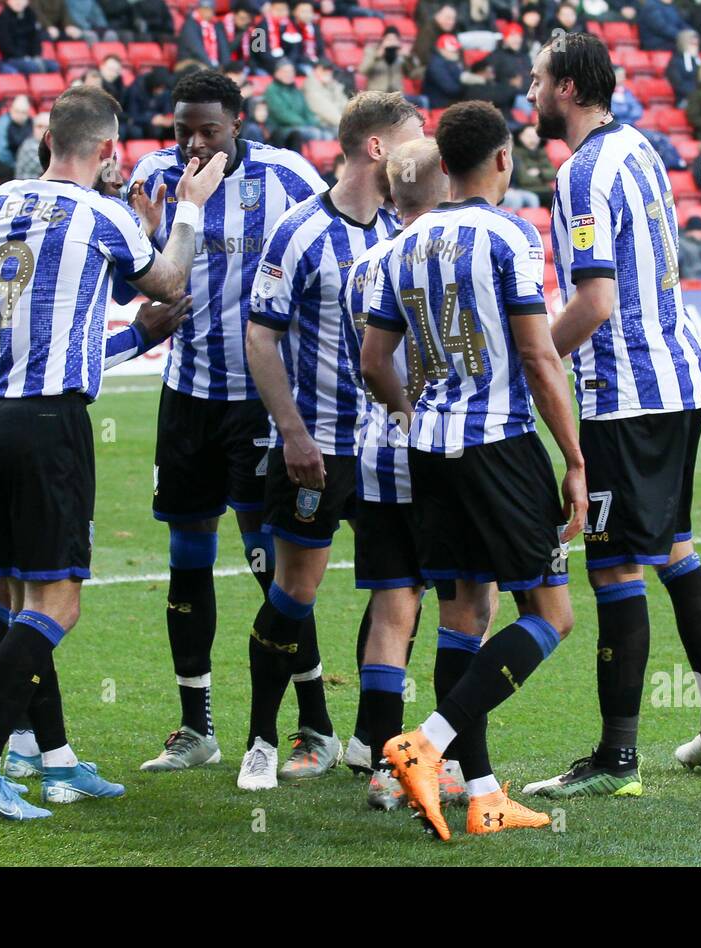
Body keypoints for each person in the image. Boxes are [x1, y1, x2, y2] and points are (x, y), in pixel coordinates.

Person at [0, 84, 227, 821]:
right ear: (105, 152)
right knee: (55, 606)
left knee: (5, 588)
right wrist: (187, 210)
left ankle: (28, 758)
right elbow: (167, 280)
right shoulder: (100, 212)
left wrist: (130, 328)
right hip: (44, 424)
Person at [525, 33, 701, 801]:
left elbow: (593, 302)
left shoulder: (582, 172)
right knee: (677, 550)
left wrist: (533, 364)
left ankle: (618, 758)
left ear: (568, 89)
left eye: (536, 81)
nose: (528, 94)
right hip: (680, 378)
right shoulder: (641, 149)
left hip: (629, 394)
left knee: (615, 565)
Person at [364, 100, 585, 840]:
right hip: (500, 446)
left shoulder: (405, 243)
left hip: (431, 452)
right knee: (552, 616)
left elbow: (374, 361)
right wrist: (574, 458)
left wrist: (412, 412)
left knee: (463, 617)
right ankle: (424, 743)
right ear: (500, 160)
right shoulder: (509, 236)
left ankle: (483, 790)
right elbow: (536, 353)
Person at [125, 69, 326, 776]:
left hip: (259, 402)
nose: (193, 143)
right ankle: (194, 727)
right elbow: (133, 278)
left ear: (238, 122)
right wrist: (145, 264)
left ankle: (315, 724)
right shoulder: (152, 177)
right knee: (186, 558)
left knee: (271, 566)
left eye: (207, 129)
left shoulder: (288, 178)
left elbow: (326, 257)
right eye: (182, 129)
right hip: (186, 396)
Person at [240, 92, 419, 791]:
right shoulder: (301, 229)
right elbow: (260, 336)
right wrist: (292, 433)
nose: (422, 151)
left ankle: (371, 740)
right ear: (376, 147)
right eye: (412, 139)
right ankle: (259, 738)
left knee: (395, 592)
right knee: (294, 592)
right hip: (317, 448)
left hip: (386, 449)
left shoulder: (402, 230)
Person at [341, 136, 468, 810]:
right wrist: (417, 415)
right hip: (444, 449)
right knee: (463, 608)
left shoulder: (364, 265)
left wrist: (395, 412)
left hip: (376, 449)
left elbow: (365, 362)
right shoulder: (454, 257)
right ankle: (444, 760)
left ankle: (385, 768)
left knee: (393, 612)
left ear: (389, 194)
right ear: (443, 185)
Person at [265, 60, 326, 149]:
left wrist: (313, 122)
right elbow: (281, 114)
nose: (289, 74)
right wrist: (305, 123)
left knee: (328, 132)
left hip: (302, 126)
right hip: (282, 129)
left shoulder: (296, 90)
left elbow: (307, 110)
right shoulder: (272, 90)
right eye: (285, 71)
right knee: (317, 134)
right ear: (277, 73)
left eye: (291, 71)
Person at [0, 0, 60, 75]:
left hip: (31, 58)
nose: (19, 2)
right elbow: (5, 45)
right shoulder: (2, 18)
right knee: (31, 66)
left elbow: (35, 39)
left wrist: (35, 56)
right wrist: (23, 57)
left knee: (54, 66)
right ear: (8, 1)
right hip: (12, 58)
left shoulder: (30, 15)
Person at [0, 95, 34, 182]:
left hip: (17, 162)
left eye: (24, 112)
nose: (20, 115)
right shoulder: (3, 123)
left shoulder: (31, 123)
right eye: (17, 111)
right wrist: (17, 165)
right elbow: (1, 153)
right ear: (11, 109)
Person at [509, 124, 556, 207]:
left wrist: (539, 173)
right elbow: (524, 179)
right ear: (520, 136)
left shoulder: (542, 152)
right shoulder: (515, 154)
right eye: (529, 136)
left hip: (546, 190)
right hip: (528, 190)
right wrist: (544, 177)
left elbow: (554, 173)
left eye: (536, 136)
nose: (533, 139)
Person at [177, 0, 231, 71]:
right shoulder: (190, 24)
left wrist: (226, 67)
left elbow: (224, 48)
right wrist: (211, 66)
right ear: (199, 9)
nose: (207, 12)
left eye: (210, 9)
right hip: (194, 62)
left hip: (214, 64)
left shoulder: (217, 25)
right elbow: (196, 49)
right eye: (204, 8)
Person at [360, 27, 410, 96]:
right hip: (376, 94)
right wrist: (376, 57)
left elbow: (410, 74)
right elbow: (363, 71)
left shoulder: (400, 54)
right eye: (389, 39)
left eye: (394, 40)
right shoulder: (372, 51)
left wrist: (408, 58)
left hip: (396, 96)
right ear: (383, 39)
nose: (391, 42)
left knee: (422, 100)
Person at [303, 59, 348, 133]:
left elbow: (346, 105)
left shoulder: (334, 85)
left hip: (337, 123)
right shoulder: (311, 87)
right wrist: (348, 125)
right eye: (324, 69)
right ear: (316, 70)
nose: (328, 72)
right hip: (322, 124)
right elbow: (326, 111)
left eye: (330, 69)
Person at [14, 111, 51, 179]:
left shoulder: (47, 146)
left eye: (46, 127)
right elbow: (50, 168)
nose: (43, 130)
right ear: (33, 128)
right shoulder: (29, 147)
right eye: (39, 126)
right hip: (26, 188)